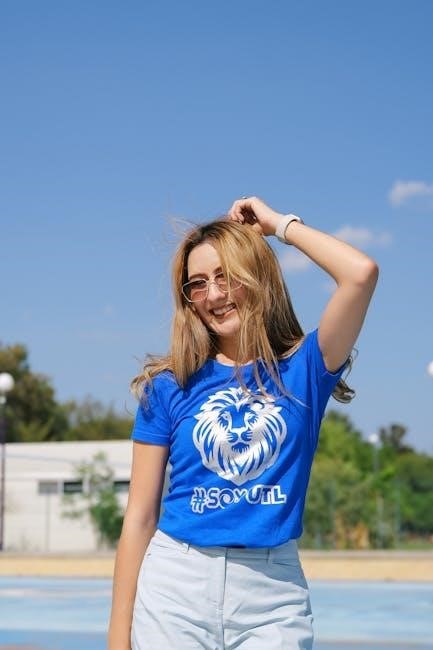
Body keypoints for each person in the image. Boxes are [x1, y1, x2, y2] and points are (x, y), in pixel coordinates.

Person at [108, 196, 379, 650]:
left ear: (256, 276)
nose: (214, 295)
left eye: (226, 276)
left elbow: (361, 273)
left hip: (272, 595)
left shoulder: (306, 369)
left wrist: (278, 225)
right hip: (174, 583)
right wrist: (118, 639)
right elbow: (139, 517)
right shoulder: (169, 385)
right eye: (197, 284)